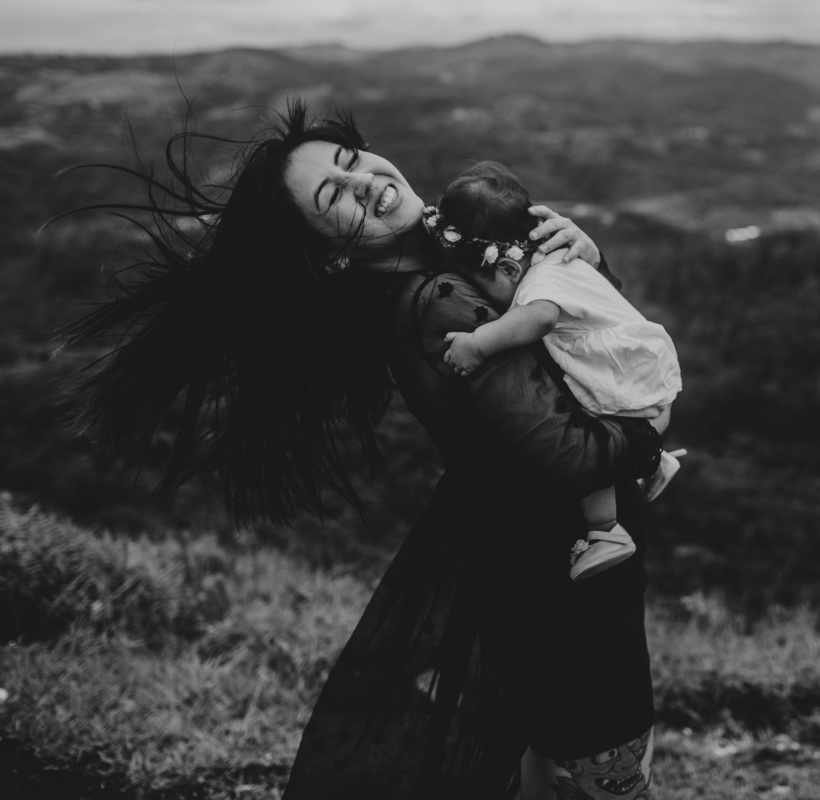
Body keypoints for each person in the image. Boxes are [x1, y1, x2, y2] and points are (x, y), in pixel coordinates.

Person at [57, 101, 663, 799]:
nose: (363, 182)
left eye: (351, 163)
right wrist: (647, 441)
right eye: (332, 196)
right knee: (601, 775)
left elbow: (588, 353)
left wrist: (585, 265)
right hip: (563, 591)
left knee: (549, 773)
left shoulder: (451, 259)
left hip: (546, 569)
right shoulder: (437, 302)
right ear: (331, 251)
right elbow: (573, 458)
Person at [427, 161, 684, 580]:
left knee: (589, 435)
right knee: (607, 424)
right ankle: (655, 464)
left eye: (482, 283)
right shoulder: (559, 257)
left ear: (508, 268)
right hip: (647, 379)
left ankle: (605, 531)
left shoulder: (539, 286)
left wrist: (477, 344)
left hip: (633, 389)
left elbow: (540, 318)